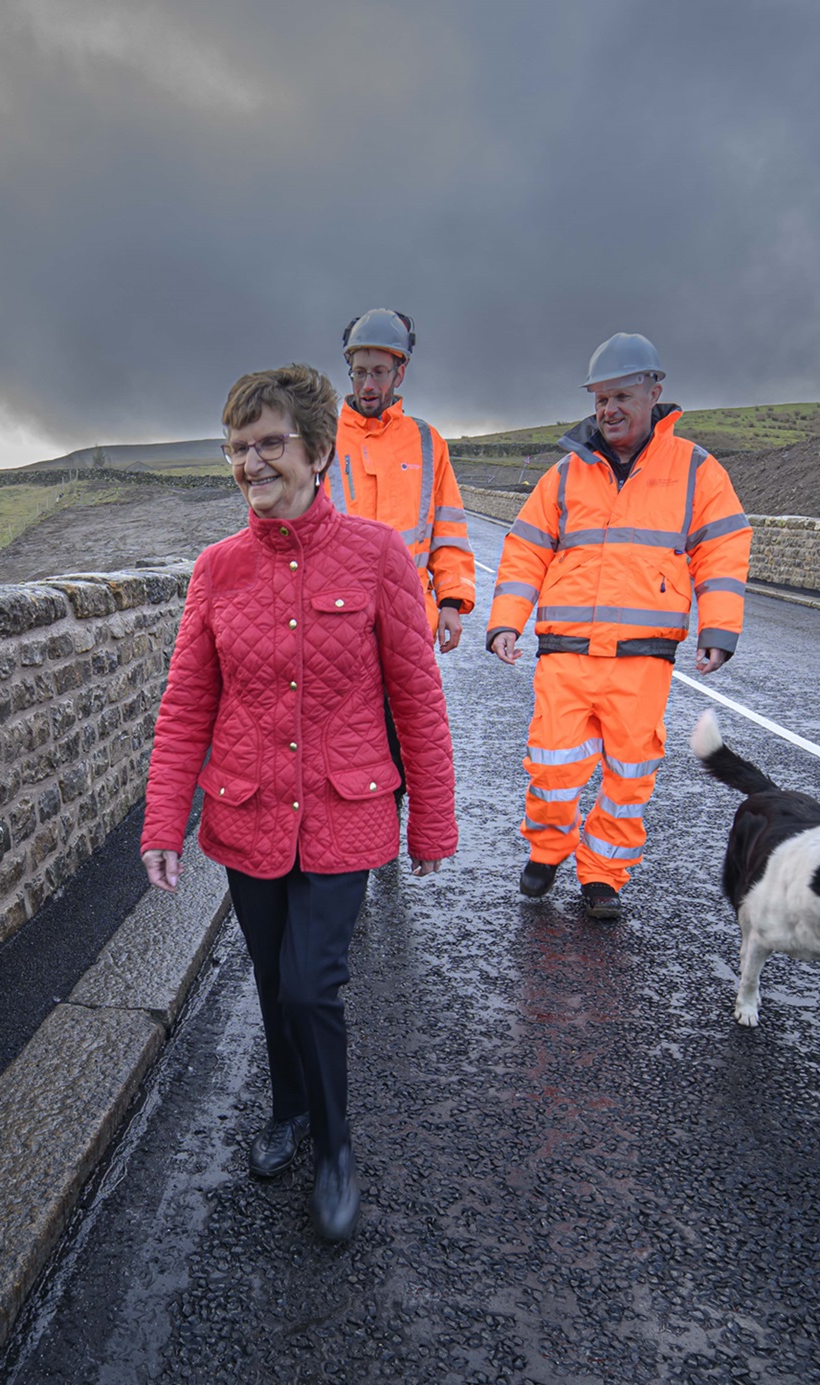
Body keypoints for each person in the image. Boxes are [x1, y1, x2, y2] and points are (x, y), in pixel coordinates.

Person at [140, 363, 458, 1243]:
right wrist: (164, 821)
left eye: (269, 442)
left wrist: (431, 819)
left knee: (314, 985)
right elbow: (186, 705)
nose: (252, 461)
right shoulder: (217, 570)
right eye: (238, 447)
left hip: (344, 812)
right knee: (275, 982)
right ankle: (285, 1109)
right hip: (246, 814)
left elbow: (418, 698)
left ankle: (335, 1147)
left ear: (317, 450)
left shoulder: (378, 555)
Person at [486, 333, 750, 921]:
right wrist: (506, 621)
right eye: (600, 398)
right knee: (552, 764)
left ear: (654, 393)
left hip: (643, 657)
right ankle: (548, 850)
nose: (608, 409)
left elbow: (724, 549)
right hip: (565, 651)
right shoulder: (565, 472)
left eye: (621, 395)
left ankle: (603, 874)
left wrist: (719, 629)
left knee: (630, 772)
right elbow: (526, 550)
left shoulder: (695, 470)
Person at [332, 309, 477, 652]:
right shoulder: (321, 439)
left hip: (410, 622)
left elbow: (448, 528)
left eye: (379, 373)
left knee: (413, 708)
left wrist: (451, 603)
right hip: (336, 628)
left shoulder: (427, 441)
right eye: (360, 373)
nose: (368, 385)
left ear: (400, 373)